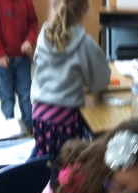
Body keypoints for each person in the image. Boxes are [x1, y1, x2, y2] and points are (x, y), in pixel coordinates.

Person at [30, 0, 110, 161]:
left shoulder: (43, 36)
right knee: (67, 163)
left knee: (45, 157)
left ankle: (37, 173)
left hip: (39, 113)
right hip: (65, 119)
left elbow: (38, 64)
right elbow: (101, 81)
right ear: (84, 10)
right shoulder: (85, 43)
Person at [0, 0, 38, 132]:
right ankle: (10, 128)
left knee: (25, 96)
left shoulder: (26, 1)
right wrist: (0, 54)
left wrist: (29, 40)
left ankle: (29, 128)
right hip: (4, 60)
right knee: (7, 97)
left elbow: (33, 23)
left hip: (23, 59)